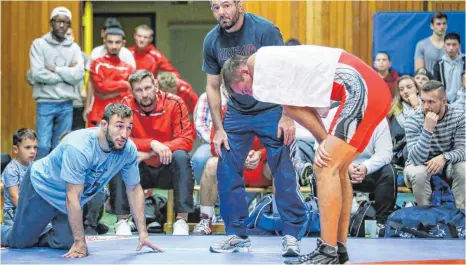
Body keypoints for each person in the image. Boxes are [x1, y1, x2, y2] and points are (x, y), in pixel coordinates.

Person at [221, 44, 391, 264]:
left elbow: (291, 109)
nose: (251, 95)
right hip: (368, 89)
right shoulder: (277, 64)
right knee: (337, 169)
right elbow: (302, 108)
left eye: (244, 89)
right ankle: (339, 250)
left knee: (324, 166)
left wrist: (323, 142)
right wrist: (323, 140)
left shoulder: (256, 64)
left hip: (359, 88)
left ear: (244, 72)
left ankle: (327, 251)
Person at [203, 0, 308, 256]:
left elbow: (286, 74)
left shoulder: (265, 31)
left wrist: (287, 115)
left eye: (226, 5)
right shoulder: (211, 40)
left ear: (240, 4)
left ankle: (292, 235)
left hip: (271, 108)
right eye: (215, 7)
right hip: (237, 112)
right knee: (226, 167)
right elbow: (212, 86)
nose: (221, 12)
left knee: (283, 170)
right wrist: (219, 128)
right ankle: (236, 234)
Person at [1, 103, 162, 258]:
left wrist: (143, 233)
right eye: (119, 126)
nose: (124, 134)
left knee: (64, 243)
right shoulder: (80, 147)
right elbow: (72, 196)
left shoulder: (128, 150)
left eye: (129, 127)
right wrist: (79, 241)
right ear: (104, 125)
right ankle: (17, 232)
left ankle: (35, 232)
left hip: (67, 197)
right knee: (19, 242)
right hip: (42, 188)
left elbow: (134, 189)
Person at [29, 7, 84, 159]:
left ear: (69, 26)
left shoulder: (74, 48)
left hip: (66, 103)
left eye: (65, 22)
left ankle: (55, 181)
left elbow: (78, 75)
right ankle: (39, 180)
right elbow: (37, 73)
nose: (61, 25)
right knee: (43, 145)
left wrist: (55, 69)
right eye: (58, 21)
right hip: (46, 101)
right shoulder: (39, 44)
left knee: (60, 145)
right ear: (51, 23)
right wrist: (67, 73)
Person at [404, 80, 465, 208]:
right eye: (423, 101)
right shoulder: (413, 119)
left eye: (431, 102)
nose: (425, 106)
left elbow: (463, 149)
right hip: (420, 165)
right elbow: (415, 159)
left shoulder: (459, 116)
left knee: (463, 167)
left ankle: (461, 216)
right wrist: (427, 130)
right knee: (418, 173)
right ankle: (428, 219)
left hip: (448, 164)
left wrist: (444, 157)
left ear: (444, 101)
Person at [88, 28, 134, 127]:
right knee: (99, 142)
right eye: (110, 42)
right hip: (101, 114)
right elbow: (101, 87)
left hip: (122, 114)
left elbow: (130, 92)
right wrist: (124, 84)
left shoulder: (128, 68)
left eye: (117, 42)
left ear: (123, 43)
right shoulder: (97, 63)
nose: (114, 46)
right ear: (104, 42)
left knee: (120, 142)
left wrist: (109, 88)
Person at [2, 129, 38, 226]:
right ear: (15, 150)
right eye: (28, 147)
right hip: (14, 212)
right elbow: (15, 196)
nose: (33, 151)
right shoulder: (12, 170)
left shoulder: (34, 165)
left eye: (35, 147)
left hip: (28, 206)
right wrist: (31, 213)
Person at [387, 76, 422, 167]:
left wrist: (416, 106)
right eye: (401, 89)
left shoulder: (429, 105)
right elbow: (400, 137)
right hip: (405, 152)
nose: (405, 91)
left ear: (417, 89)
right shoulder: (395, 112)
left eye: (409, 87)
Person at [433, 33, 465, 105]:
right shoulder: (439, 64)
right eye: (448, 44)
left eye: (454, 44)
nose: (451, 48)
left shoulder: (464, 61)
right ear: (444, 46)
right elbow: (436, 86)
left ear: (459, 46)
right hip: (446, 104)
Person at [414, 12, 448, 76]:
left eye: (444, 23)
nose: (442, 26)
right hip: (430, 83)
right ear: (432, 26)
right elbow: (419, 70)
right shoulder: (422, 45)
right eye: (438, 24)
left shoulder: (453, 44)